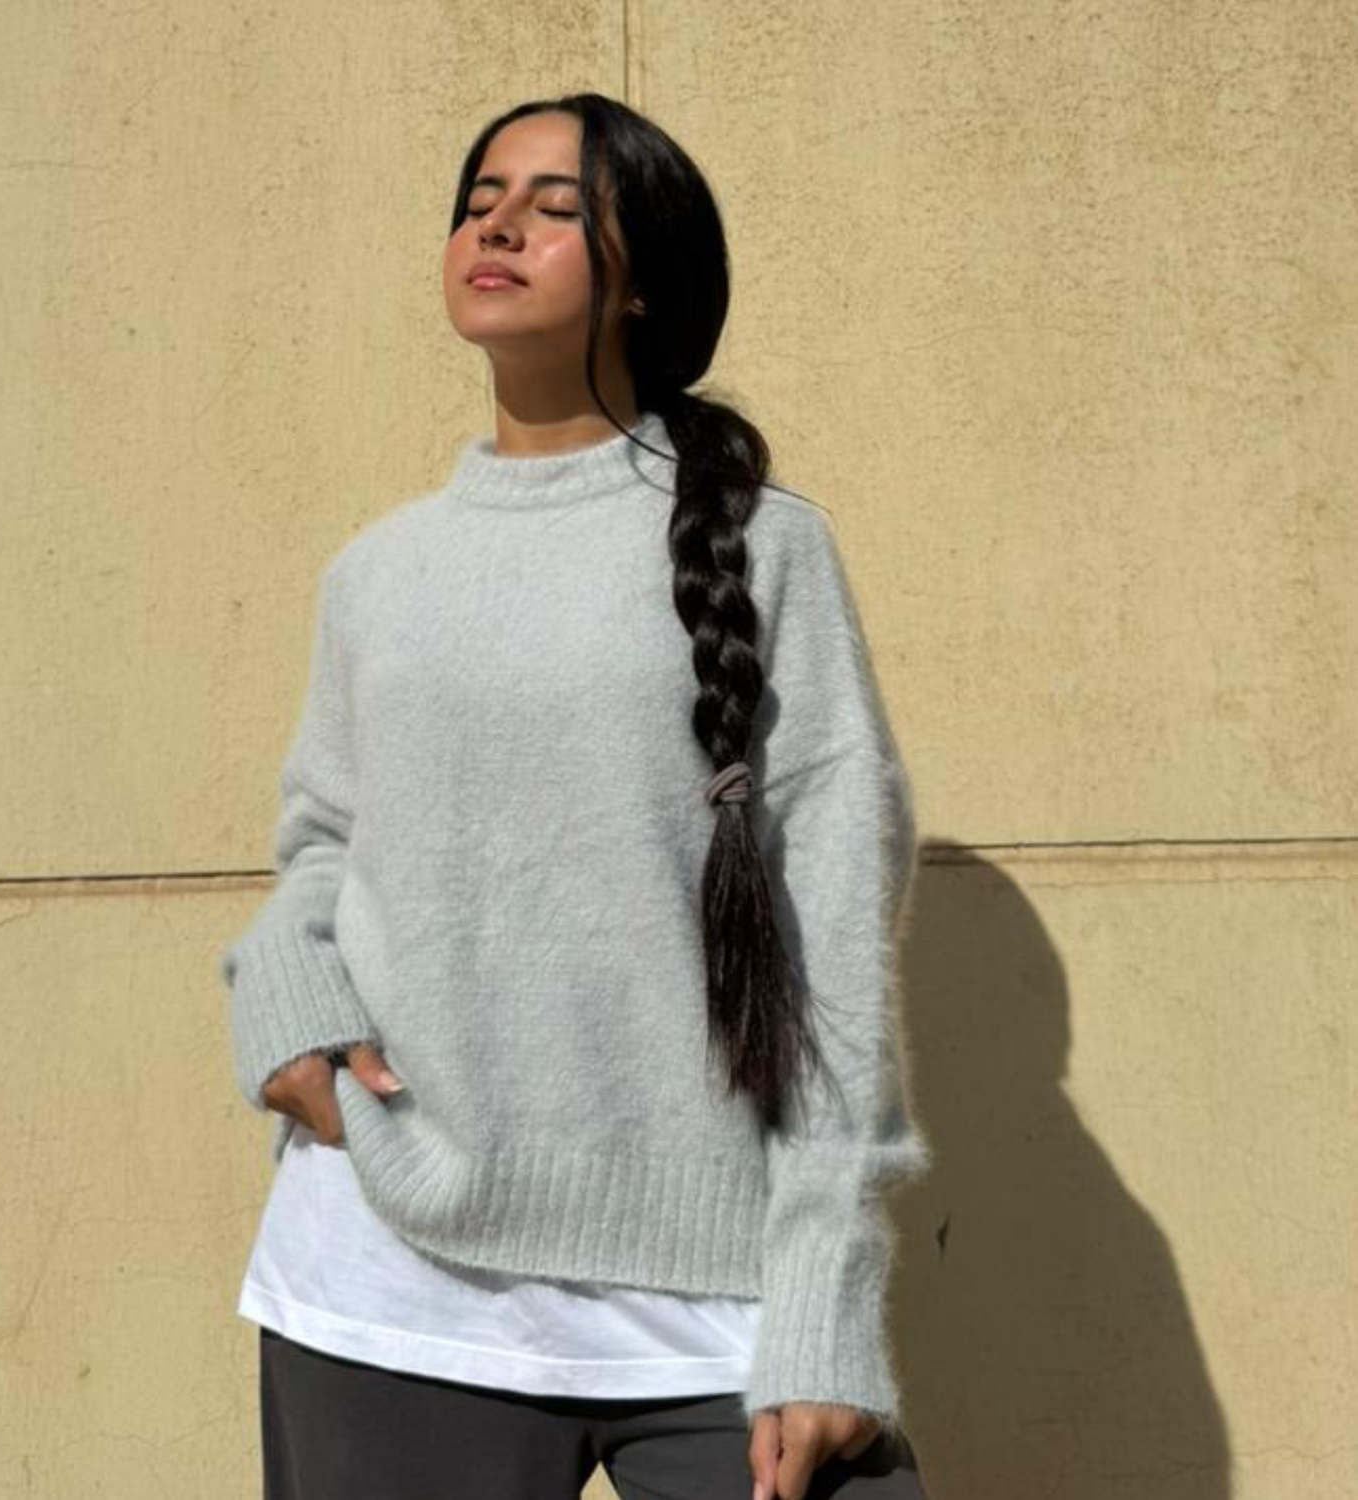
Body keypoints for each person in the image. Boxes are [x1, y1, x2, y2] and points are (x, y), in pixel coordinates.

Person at [220, 92, 929, 1500]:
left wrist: (827, 1301)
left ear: (642, 273)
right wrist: (285, 1009)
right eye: (482, 195)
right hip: (388, 1277)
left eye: (557, 204)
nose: (499, 222)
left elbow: (836, 927)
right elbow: (323, 847)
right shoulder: (379, 574)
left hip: (712, 1290)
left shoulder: (763, 548)